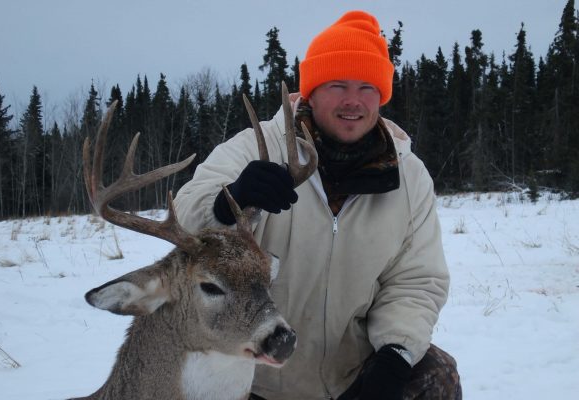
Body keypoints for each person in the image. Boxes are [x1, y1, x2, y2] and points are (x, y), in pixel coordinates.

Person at [174, 10, 462, 400]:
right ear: (311, 90)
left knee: (435, 374)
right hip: (250, 376)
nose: (353, 101)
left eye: (367, 87)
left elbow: (416, 281)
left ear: (381, 95)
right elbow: (187, 215)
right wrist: (230, 204)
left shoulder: (408, 176)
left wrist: (394, 357)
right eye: (337, 85)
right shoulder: (259, 146)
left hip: (349, 376)